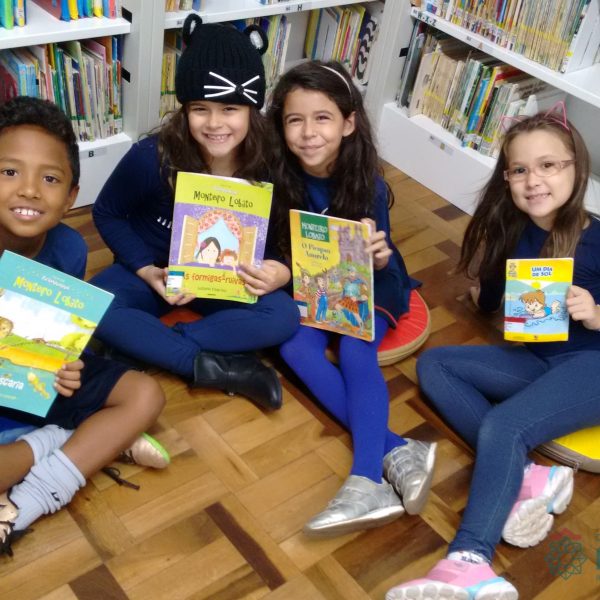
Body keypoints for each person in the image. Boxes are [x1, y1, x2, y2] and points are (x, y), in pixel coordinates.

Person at [386, 105, 600, 599]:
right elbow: (494, 293)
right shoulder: (515, 231)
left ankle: (470, 562)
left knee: (504, 425)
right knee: (436, 364)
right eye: (520, 170)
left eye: (549, 165)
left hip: (593, 365)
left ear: (577, 168)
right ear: (507, 178)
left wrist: (595, 313)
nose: (533, 180)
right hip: (540, 360)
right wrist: (485, 294)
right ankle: (528, 476)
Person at [89, 15, 299, 411]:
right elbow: (107, 213)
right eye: (200, 108)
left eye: (230, 108)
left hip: (227, 279)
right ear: (184, 109)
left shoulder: (270, 162)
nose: (215, 123)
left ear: (251, 110)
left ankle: (156, 345)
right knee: (94, 303)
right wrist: (145, 270)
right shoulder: (152, 156)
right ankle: (218, 368)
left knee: (284, 315)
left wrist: (279, 271)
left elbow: (280, 238)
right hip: (158, 275)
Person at [267, 61, 437, 536]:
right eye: (295, 120)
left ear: (348, 123)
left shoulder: (368, 182)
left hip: (373, 281)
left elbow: (381, 253)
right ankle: (396, 448)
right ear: (280, 126)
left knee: (354, 348)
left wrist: (379, 257)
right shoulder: (276, 174)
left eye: (322, 118)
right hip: (312, 280)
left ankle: (366, 479)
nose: (308, 133)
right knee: (294, 346)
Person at [0, 96, 168, 557]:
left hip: (33, 384)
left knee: (145, 395)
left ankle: (28, 500)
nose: (29, 190)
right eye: (9, 172)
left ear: (72, 195)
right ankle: (60, 441)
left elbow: (60, 346)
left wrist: (69, 368)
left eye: (50, 179)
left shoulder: (70, 249)